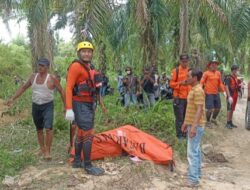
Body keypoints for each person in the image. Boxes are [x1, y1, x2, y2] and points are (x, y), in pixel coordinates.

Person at [6, 58, 65, 160]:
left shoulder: (52, 78)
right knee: (39, 129)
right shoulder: (33, 77)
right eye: (39, 65)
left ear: (47, 67)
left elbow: (61, 91)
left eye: (42, 66)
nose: (40, 67)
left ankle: (48, 151)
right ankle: (42, 149)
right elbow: (23, 87)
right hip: (36, 106)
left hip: (48, 106)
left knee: (48, 128)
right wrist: (12, 98)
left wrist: (66, 106)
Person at [65, 41, 106, 176]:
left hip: (88, 104)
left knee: (82, 133)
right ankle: (88, 166)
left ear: (92, 54)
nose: (87, 53)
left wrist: (101, 105)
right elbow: (69, 87)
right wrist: (69, 108)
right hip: (80, 105)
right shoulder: (76, 66)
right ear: (79, 53)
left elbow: (95, 89)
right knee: (88, 134)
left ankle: (77, 161)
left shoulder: (89, 67)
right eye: (84, 51)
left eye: (89, 51)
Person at [181, 69, 205, 187]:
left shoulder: (198, 91)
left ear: (195, 78)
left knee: (192, 152)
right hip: (192, 124)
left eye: (189, 76)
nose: (187, 78)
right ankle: (197, 174)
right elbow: (191, 108)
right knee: (196, 150)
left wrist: (194, 127)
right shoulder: (193, 90)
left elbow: (199, 109)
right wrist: (186, 122)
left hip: (196, 125)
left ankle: (193, 179)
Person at [200, 51, 231, 128]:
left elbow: (220, 83)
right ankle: (207, 122)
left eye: (216, 64)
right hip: (208, 93)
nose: (214, 65)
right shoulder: (206, 73)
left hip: (216, 93)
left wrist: (224, 91)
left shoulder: (218, 73)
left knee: (218, 108)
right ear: (209, 65)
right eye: (213, 64)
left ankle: (213, 119)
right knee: (210, 109)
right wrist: (200, 90)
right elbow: (201, 82)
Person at [170, 53, 191, 139]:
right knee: (179, 118)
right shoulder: (176, 71)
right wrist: (180, 83)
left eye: (186, 61)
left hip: (188, 97)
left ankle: (185, 134)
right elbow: (171, 84)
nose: (184, 63)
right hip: (178, 98)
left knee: (187, 117)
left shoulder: (190, 71)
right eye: (183, 61)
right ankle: (179, 135)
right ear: (180, 61)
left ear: (188, 61)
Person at [224, 64, 240, 129]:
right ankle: (227, 123)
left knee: (232, 109)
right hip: (230, 95)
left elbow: (236, 86)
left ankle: (230, 122)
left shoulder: (235, 77)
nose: (237, 71)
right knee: (229, 109)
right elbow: (226, 86)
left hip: (235, 95)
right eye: (236, 70)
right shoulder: (228, 77)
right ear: (233, 70)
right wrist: (229, 96)